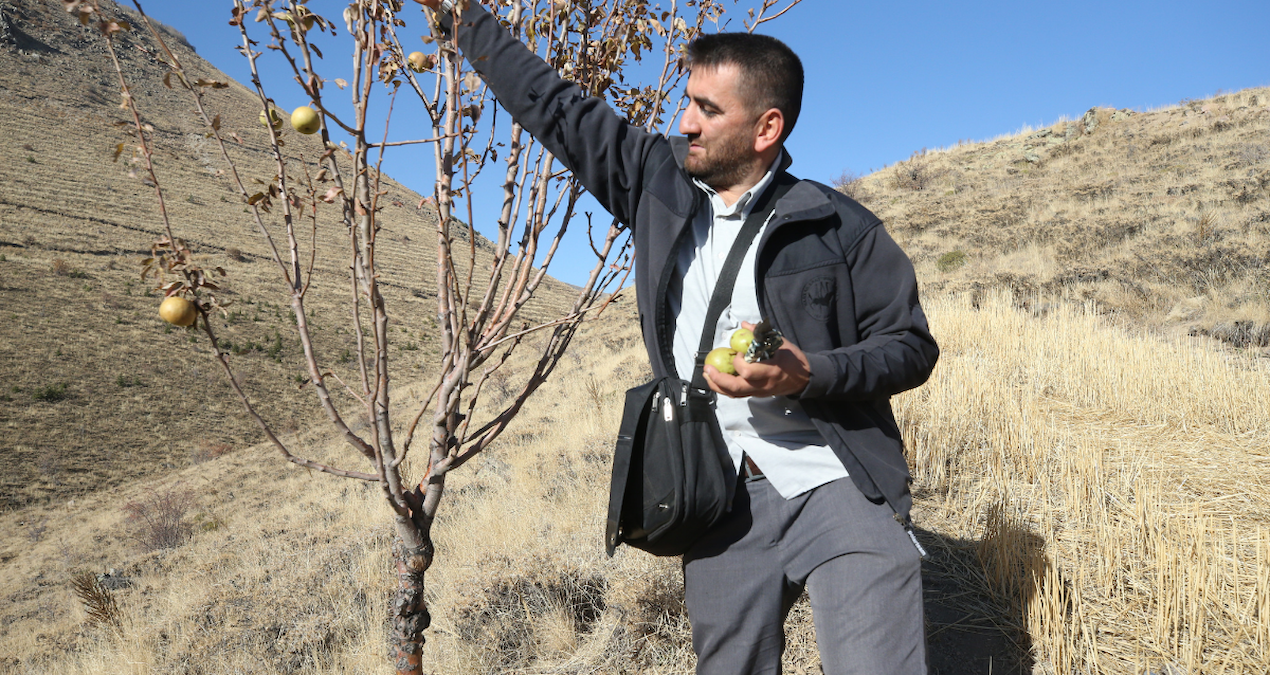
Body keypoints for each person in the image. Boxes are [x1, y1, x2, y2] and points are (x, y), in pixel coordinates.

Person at [418, 2, 940, 672]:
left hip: (835, 478)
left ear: (766, 127)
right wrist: (462, 20)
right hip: (717, 492)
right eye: (687, 102)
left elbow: (909, 346)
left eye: (707, 109)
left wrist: (807, 373)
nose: (685, 122)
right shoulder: (655, 182)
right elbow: (552, 105)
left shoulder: (840, 227)